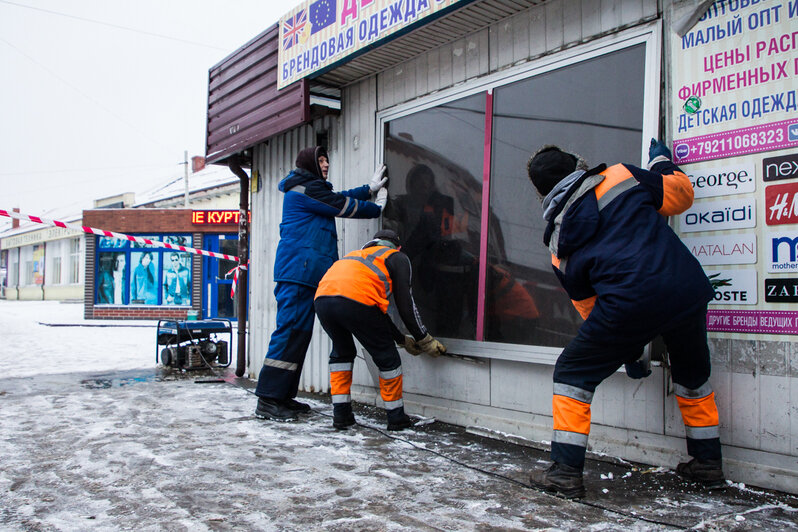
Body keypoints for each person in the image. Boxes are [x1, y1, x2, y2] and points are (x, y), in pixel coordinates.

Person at [525, 140, 723, 498]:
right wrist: (662, 161)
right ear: (578, 166)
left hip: (628, 305)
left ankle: (566, 472)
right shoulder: (620, 175)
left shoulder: (558, 244)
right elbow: (680, 195)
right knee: (692, 374)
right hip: (685, 289)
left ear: (542, 194)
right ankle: (707, 462)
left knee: (572, 373)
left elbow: (592, 311)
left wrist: (630, 350)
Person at [254, 146, 390, 421]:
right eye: (321, 159)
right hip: (298, 274)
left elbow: (334, 197)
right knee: (290, 332)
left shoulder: (310, 189)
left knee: (298, 335)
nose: (326, 164)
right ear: (309, 164)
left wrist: (368, 189)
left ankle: (282, 397)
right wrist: (375, 208)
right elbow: (339, 205)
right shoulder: (304, 190)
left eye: (327, 159)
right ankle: (268, 400)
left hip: (307, 275)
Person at [314, 229, 446, 430]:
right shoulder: (397, 257)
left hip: (323, 300)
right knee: (387, 359)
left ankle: (341, 416)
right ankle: (396, 418)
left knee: (342, 352)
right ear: (398, 246)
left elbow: (375, 311)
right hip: (357, 302)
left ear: (371, 243)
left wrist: (401, 339)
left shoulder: (355, 255)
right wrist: (424, 339)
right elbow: (405, 305)